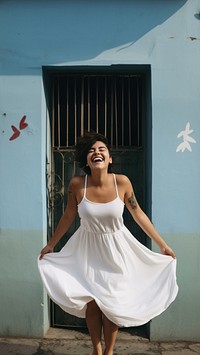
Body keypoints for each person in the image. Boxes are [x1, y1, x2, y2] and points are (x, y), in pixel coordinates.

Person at [38, 131, 178, 355]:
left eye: (102, 149)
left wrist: (162, 244)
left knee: (111, 302)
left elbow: (138, 214)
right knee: (92, 302)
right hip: (86, 248)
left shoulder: (121, 182)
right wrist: (51, 245)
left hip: (117, 248)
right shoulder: (77, 184)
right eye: (92, 150)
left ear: (110, 158)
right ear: (87, 159)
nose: (97, 152)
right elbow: (68, 216)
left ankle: (110, 351)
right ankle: (97, 349)